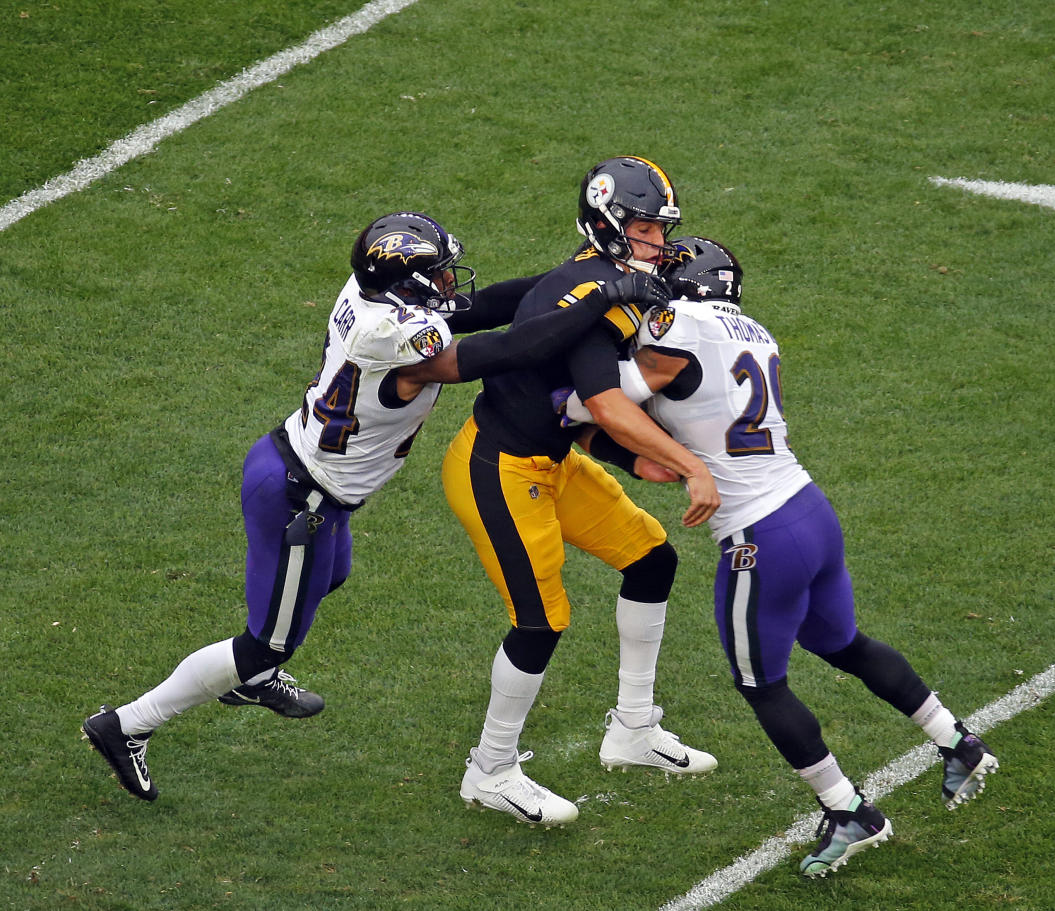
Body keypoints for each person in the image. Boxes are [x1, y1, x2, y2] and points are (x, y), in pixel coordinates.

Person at [81, 211, 668, 801]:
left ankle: (250, 673)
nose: (447, 283)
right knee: (266, 642)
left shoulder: (378, 298)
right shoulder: (395, 335)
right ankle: (128, 724)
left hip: (306, 475)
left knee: (331, 579)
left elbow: (489, 308)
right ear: (403, 283)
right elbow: (497, 351)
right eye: (436, 274)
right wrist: (600, 300)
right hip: (299, 497)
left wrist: (575, 282)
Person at [555, 236, 1000, 873]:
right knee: (843, 643)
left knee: (761, 684)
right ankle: (956, 740)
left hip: (757, 534)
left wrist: (565, 374)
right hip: (808, 509)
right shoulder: (756, 333)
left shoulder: (675, 328)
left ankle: (849, 810)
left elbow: (596, 402)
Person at [442, 157, 721, 828]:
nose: (658, 241)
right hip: (498, 466)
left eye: (660, 227)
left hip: (550, 458)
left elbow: (570, 408)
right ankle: (490, 768)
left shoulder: (600, 280)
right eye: (646, 227)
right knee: (540, 618)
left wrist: (631, 461)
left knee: (653, 558)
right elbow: (603, 401)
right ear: (609, 224)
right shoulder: (593, 291)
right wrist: (690, 465)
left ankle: (632, 728)